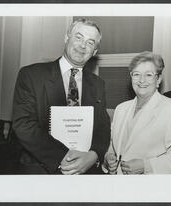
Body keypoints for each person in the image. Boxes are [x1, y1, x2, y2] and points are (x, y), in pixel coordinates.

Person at [12, 18, 110, 174]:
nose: (83, 45)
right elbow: (23, 124)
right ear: (66, 38)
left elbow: (103, 127)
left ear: (95, 52)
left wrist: (94, 156)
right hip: (41, 170)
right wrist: (62, 157)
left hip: (86, 171)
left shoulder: (98, 84)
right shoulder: (31, 75)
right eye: (78, 37)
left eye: (90, 43)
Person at [103, 51, 171, 174]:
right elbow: (114, 146)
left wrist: (146, 166)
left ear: (159, 79)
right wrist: (108, 158)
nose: (141, 80)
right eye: (137, 74)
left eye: (149, 75)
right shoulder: (121, 109)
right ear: (131, 77)